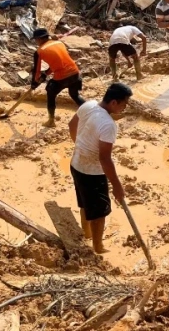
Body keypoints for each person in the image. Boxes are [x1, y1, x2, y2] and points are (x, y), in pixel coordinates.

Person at [68, 83, 132, 253]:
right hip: (92, 173)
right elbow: (105, 158)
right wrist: (117, 186)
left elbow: (71, 125)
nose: (124, 108)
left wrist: (80, 146)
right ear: (113, 103)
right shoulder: (108, 125)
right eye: (124, 104)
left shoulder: (88, 105)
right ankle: (98, 246)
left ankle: (86, 233)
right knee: (99, 212)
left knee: (84, 202)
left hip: (76, 164)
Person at [31, 28, 85, 128]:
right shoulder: (59, 43)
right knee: (75, 95)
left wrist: (34, 82)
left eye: (36, 40)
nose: (36, 42)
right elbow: (58, 62)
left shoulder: (39, 51)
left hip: (62, 77)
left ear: (39, 39)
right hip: (75, 73)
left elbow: (36, 70)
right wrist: (46, 73)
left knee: (50, 93)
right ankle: (94, 113)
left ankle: (51, 121)